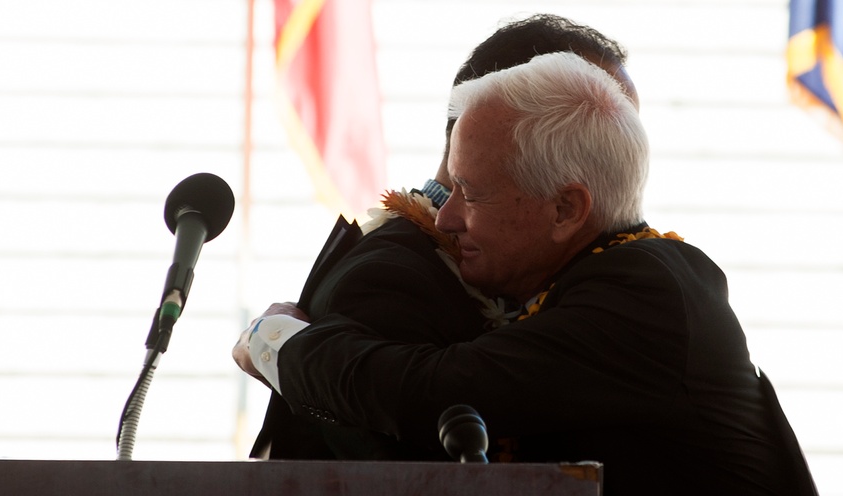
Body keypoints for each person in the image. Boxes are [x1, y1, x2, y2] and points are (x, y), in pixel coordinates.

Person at [235, 52, 843, 496]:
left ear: (565, 208)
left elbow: (433, 393)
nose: (447, 218)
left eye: (473, 192)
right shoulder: (605, 282)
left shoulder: (644, 298)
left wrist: (279, 346)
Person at [243, 13, 634, 460]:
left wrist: (270, 339)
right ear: (498, 113)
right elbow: (403, 483)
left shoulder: (550, 271)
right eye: (602, 127)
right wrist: (275, 342)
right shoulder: (391, 276)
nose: (621, 157)